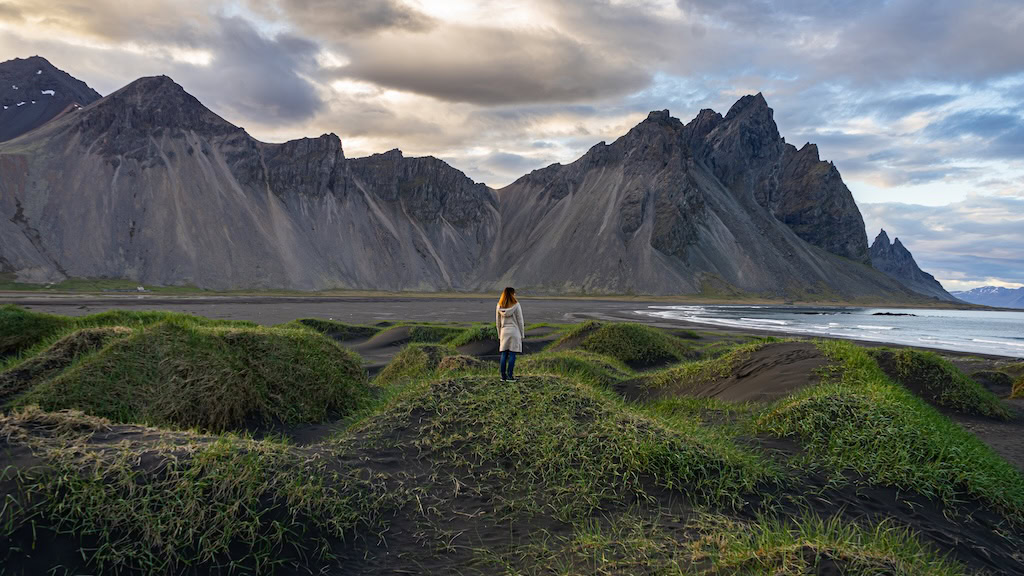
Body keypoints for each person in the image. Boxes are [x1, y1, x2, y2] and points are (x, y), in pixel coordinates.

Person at [495, 286, 525, 382]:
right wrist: (522, 334)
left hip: (504, 332)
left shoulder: (499, 306)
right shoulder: (516, 305)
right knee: (512, 354)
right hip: (514, 331)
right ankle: (510, 376)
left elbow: (498, 322)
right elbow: (520, 321)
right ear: (512, 294)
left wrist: (499, 334)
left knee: (504, 354)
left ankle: (503, 377)